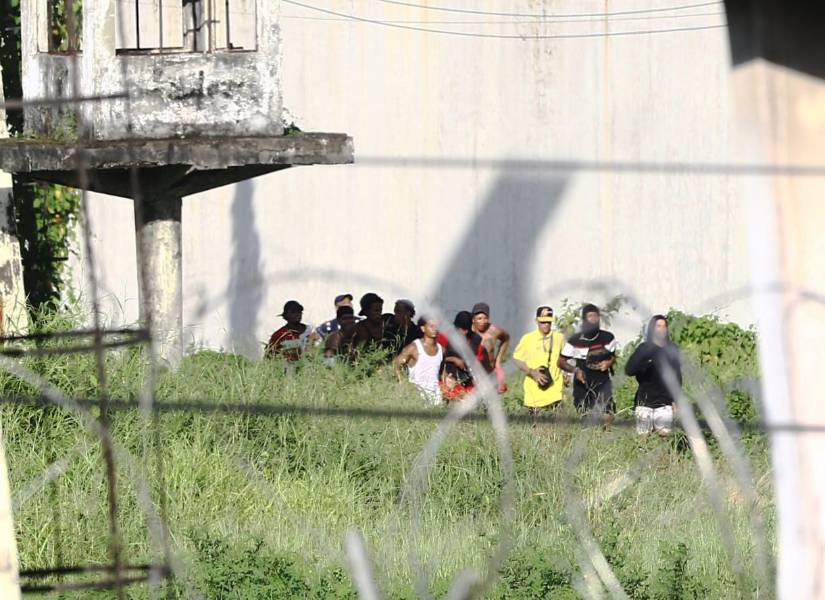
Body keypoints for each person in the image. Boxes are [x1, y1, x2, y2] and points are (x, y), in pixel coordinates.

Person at [625, 314, 682, 436]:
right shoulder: (644, 348)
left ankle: (665, 455)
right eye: (658, 326)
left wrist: (676, 399)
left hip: (664, 401)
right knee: (643, 438)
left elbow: (677, 375)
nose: (661, 329)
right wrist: (646, 363)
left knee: (664, 435)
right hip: (645, 400)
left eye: (664, 326)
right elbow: (629, 370)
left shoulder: (672, 349)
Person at [557, 303, 618, 415]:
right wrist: (576, 370)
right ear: (584, 319)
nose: (593, 319)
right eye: (590, 316)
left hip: (602, 381)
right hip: (582, 382)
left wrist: (608, 363)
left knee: (607, 414)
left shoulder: (608, 337)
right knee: (584, 414)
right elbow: (560, 362)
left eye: (596, 316)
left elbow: (613, 357)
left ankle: (607, 432)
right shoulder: (574, 340)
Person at [512, 306, 565, 416]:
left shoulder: (559, 338)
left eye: (549, 322)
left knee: (557, 430)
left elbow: (565, 359)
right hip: (534, 394)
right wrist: (532, 372)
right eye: (543, 322)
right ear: (536, 321)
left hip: (555, 392)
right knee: (536, 429)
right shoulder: (528, 339)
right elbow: (516, 359)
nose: (546, 325)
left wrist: (566, 374)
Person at [394, 316, 443, 405]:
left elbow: (441, 371)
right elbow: (397, 364)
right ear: (423, 328)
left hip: (436, 396)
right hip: (417, 395)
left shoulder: (441, 349)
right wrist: (404, 383)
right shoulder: (414, 348)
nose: (435, 329)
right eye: (431, 326)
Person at [471, 302, 510, 393]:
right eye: (479, 318)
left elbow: (506, 338)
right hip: (473, 376)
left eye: (485, 318)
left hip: (490, 375)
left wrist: (498, 361)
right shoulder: (468, 332)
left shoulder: (494, 331)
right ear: (473, 319)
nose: (483, 321)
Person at [351, 292, 386, 360]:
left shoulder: (387, 324)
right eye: (376, 311)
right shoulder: (359, 329)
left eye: (380, 310)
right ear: (366, 312)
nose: (379, 314)